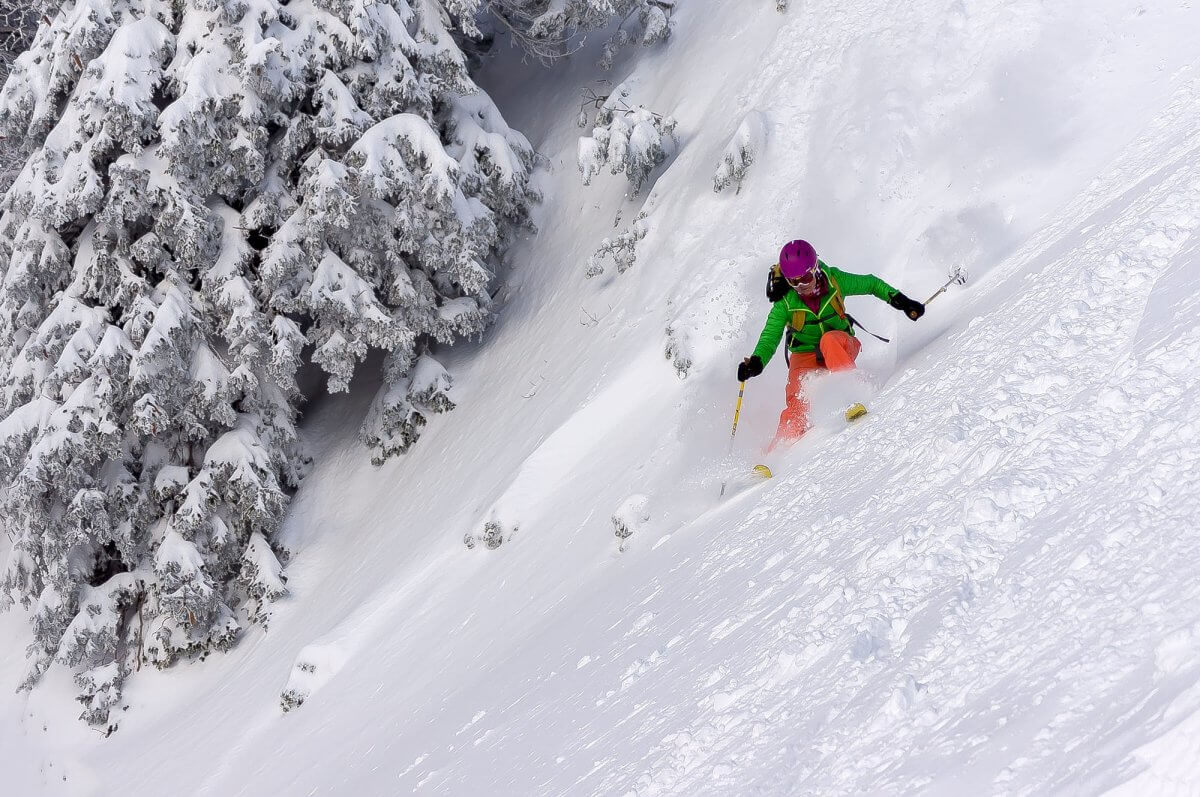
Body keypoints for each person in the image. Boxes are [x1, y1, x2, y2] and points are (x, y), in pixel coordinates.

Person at [738, 239, 925, 450]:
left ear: (815, 268)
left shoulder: (835, 280)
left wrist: (902, 302)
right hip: (805, 354)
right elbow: (770, 336)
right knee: (797, 396)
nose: (802, 286)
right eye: (794, 282)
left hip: (841, 344)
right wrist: (756, 362)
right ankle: (777, 451)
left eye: (806, 278)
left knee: (829, 340)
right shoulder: (785, 303)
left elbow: (871, 284)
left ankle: (852, 394)